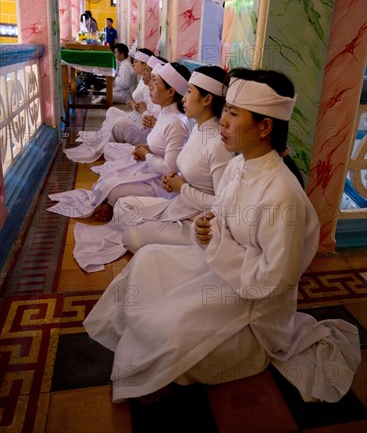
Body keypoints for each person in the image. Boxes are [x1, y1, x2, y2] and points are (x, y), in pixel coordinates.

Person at [83, 68, 360, 403]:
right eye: (225, 111)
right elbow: (223, 215)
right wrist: (207, 227)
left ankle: (239, 351)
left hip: (254, 309)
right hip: (219, 268)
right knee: (148, 261)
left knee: (171, 331)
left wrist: (215, 243)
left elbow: (273, 280)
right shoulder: (241, 166)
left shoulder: (283, 195)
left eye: (232, 113)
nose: (223, 122)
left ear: (265, 127)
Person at [72, 66, 234, 272]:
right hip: (178, 203)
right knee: (122, 206)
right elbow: (184, 168)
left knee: (133, 235)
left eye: (190, 91)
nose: (184, 97)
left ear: (207, 100)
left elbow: (222, 205)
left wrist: (181, 187)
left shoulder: (218, 145)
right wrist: (174, 180)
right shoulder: (199, 129)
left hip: (195, 221)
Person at [48, 62, 192, 221]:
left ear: (171, 91)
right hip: (148, 168)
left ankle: (112, 206)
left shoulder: (177, 122)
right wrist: (146, 148)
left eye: (156, 82)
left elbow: (170, 169)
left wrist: (146, 155)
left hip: (162, 183)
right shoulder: (166, 114)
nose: (150, 85)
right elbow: (161, 145)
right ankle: (111, 205)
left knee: (114, 188)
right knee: (110, 176)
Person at [63, 49, 158, 163]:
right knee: (112, 111)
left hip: (142, 124)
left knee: (118, 122)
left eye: (137, 62)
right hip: (137, 115)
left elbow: (149, 114)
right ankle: (105, 143)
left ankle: (107, 146)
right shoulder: (145, 81)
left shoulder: (150, 87)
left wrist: (141, 110)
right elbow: (144, 107)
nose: (134, 64)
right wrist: (135, 105)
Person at [201, 0, 224, 66]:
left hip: (190, 59)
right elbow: (223, 37)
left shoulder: (192, 9)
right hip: (213, 61)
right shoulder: (221, 10)